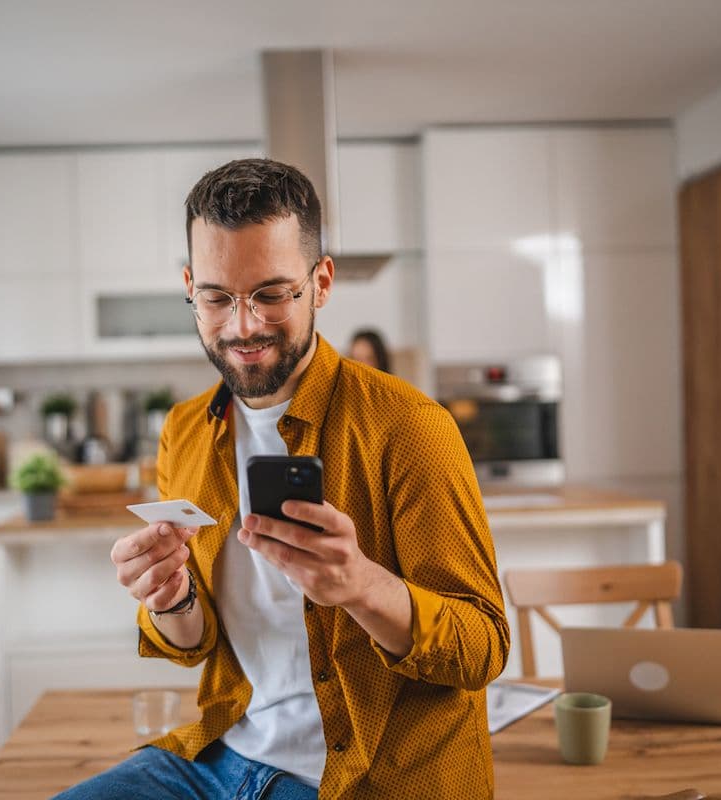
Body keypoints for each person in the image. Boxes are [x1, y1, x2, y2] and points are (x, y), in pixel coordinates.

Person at [55, 159, 509, 800]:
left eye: (271, 294)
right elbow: (194, 645)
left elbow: (483, 647)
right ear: (190, 286)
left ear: (321, 282)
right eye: (216, 298)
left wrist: (360, 586)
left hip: (364, 780)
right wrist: (170, 599)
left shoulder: (411, 428)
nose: (243, 326)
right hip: (218, 759)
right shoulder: (185, 431)